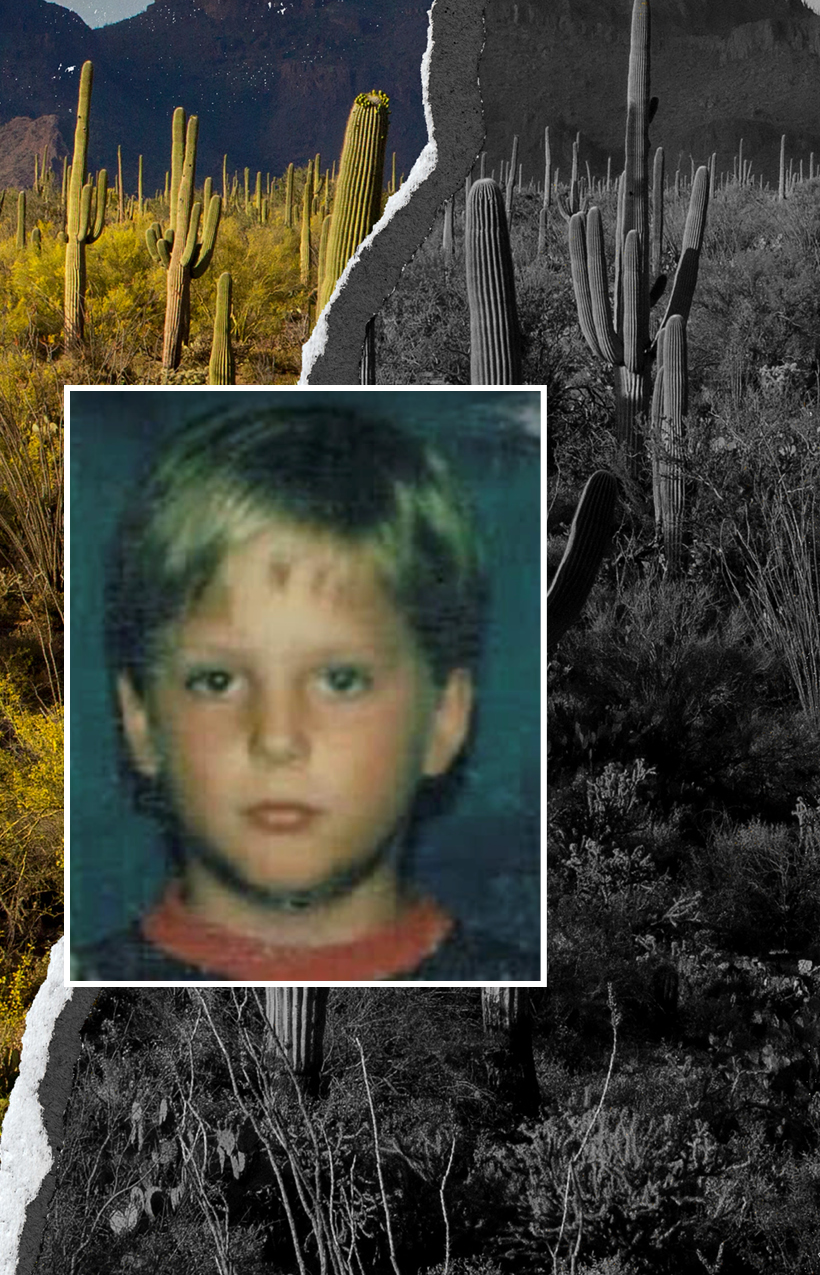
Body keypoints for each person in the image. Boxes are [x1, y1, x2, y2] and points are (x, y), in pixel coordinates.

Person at [72, 401, 535, 981]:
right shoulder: (84, 993)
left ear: (445, 716)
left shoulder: (504, 995)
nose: (278, 738)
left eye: (340, 680)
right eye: (217, 681)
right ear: (140, 719)